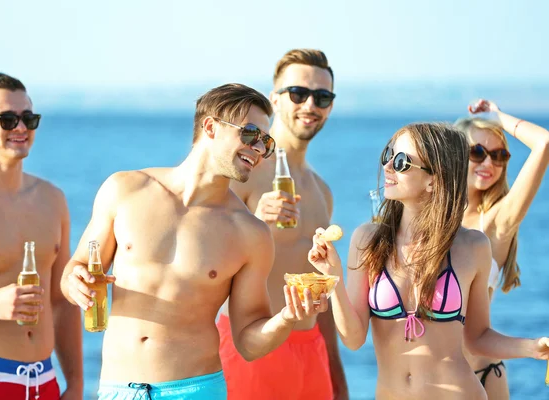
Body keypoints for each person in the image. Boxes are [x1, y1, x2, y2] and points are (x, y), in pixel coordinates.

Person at [61, 83, 328, 400]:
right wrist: (74, 281)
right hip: (117, 390)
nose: (258, 147)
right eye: (250, 133)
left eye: (266, 142)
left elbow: (248, 342)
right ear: (211, 127)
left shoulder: (249, 233)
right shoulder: (124, 190)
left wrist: (285, 318)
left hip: (194, 391)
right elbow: (75, 269)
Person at [307, 122, 549, 399]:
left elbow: (477, 336)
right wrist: (333, 276)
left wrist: (531, 347)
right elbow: (353, 338)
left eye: (401, 162)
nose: (387, 167)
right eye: (388, 156)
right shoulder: (367, 240)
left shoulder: (472, 246)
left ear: (434, 179)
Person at [217, 49, 348, 400]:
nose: (310, 105)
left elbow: (323, 291)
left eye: (322, 97)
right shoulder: (243, 172)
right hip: (251, 347)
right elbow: (205, 265)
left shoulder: (322, 192)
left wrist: (337, 377)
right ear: (275, 99)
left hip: (311, 352)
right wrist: (255, 223)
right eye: (298, 93)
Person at [0, 73, 82, 400]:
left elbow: (62, 302)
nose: (21, 128)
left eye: (28, 118)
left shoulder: (52, 199)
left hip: (44, 382)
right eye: (7, 119)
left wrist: (76, 384)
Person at [454, 99, 549, 398]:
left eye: (499, 155)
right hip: (424, 378)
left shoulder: (496, 222)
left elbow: (544, 142)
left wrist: (496, 116)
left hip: (480, 376)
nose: (488, 164)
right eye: (477, 152)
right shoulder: (430, 218)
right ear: (453, 155)